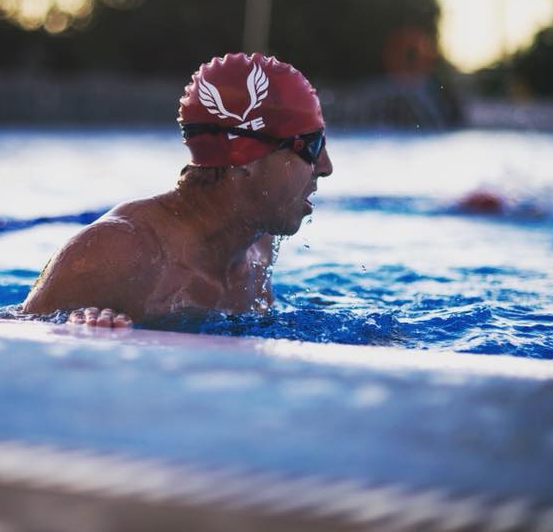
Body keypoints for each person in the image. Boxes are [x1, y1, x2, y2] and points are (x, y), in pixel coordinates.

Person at [20, 52, 332, 327]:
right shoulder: (116, 255)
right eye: (311, 145)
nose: (325, 166)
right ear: (246, 154)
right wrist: (74, 329)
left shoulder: (259, 245)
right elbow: (14, 336)